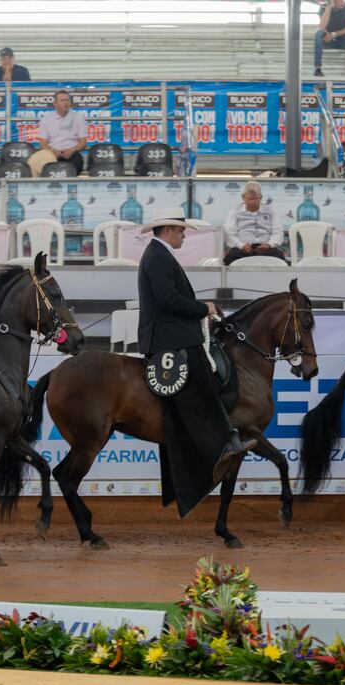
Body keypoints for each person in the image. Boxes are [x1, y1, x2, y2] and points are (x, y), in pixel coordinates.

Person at [137, 206, 256, 519]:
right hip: (169, 338)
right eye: (181, 230)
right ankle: (222, 444)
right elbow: (168, 300)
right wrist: (203, 308)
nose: (184, 234)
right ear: (167, 231)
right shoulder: (158, 257)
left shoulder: (158, 255)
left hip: (171, 333)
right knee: (200, 383)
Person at [222, 181, 285, 265]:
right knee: (231, 256)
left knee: (278, 255)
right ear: (243, 197)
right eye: (250, 199)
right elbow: (229, 232)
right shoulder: (235, 211)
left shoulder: (271, 211)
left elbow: (278, 231)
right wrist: (241, 245)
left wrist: (269, 244)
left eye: (256, 199)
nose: (253, 202)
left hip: (266, 249)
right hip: (242, 249)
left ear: (261, 197)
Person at [33, 90, 87, 175]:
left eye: (67, 100)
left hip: (72, 153)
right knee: (41, 160)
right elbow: (43, 143)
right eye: (62, 100)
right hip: (52, 153)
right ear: (55, 104)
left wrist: (72, 150)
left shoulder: (78, 118)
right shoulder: (46, 119)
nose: (65, 103)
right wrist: (53, 151)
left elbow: (83, 142)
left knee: (77, 159)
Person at [314, 0, 345, 78]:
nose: (344, 2)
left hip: (343, 41)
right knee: (318, 34)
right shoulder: (324, 7)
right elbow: (322, 27)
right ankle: (318, 68)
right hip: (328, 42)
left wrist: (334, 34)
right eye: (341, 0)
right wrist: (328, 8)